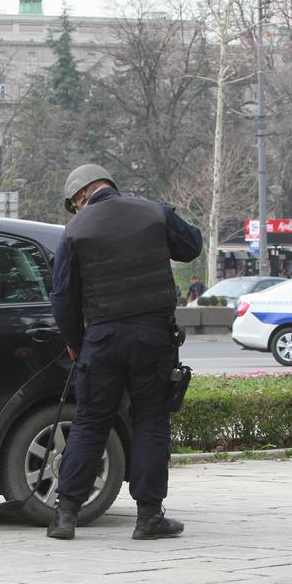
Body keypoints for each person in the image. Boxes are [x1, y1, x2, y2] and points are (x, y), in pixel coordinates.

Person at [48, 164, 202, 541]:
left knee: (90, 421)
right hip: (153, 337)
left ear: (81, 196)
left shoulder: (74, 232)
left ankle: (65, 515)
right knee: (150, 420)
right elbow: (192, 246)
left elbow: (63, 297)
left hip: (101, 339)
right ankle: (149, 516)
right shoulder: (154, 212)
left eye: (75, 205)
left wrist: (75, 341)